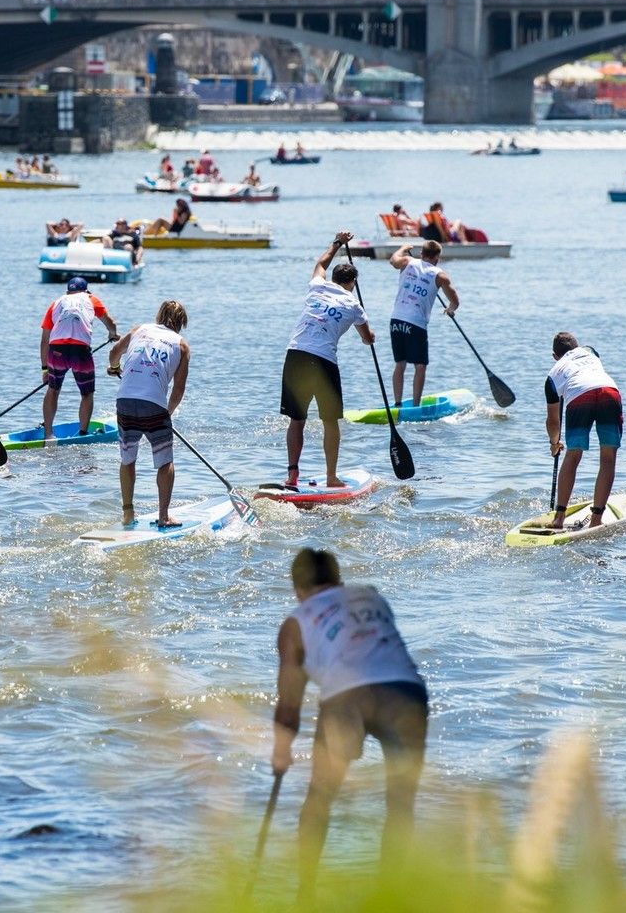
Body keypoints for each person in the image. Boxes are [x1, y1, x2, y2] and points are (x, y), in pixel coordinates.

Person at [272, 547, 428, 904]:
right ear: (338, 580)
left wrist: (281, 751)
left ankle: (305, 896)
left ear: (297, 590)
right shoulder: (370, 595)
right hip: (406, 690)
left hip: (345, 699)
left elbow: (289, 704)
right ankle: (391, 898)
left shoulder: (295, 623)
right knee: (401, 803)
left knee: (320, 799)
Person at [280, 232, 374, 488]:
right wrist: (371, 335)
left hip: (296, 354)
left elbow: (321, 263)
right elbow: (367, 338)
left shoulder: (317, 285)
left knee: (296, 420)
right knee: (330, 421)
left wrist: (337, 243)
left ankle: (292, 476)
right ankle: (331, 477)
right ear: (352, 282)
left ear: (333, 278)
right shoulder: (354, 305)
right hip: (323, 362)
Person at [108, 301, 191, 528]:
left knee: (128, 459)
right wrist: (168, 413)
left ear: (159, 315)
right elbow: (179, 388)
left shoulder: (139, 330)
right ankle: (163, 516)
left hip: (124, 400)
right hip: (154, 405)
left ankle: (128, 513)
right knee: (165, 462)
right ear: (181, 323)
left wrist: (114, 368)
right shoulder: (182, 345)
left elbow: (114, 353)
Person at [544, 332, 622, 530]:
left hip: (580, 397)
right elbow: (592, 353)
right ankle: (596, 519)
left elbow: (553, 421)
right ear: (577, 347)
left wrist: (554, 443)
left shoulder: (553, 376)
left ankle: (559, 518)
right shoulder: (589, 351)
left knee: (573, 454)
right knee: (608, 456)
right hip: (610, 392)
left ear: (555, 356)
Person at [40, 277, 118, 441]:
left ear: (68, 292)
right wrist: (112, 334)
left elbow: (44, 339)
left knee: (53, 390)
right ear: (86, 291)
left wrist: (44, 369)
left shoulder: (56, 303)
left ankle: (48, 434)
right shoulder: (91, 299)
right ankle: (83, 434)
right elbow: (110, 322)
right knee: (87, 393)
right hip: (80, 352)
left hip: (56, 352)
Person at [388, 240, 459, 407]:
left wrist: (403, 248)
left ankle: (397, 403)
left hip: (396, 320)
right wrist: (450, 309)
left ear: (421, 254)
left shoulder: (407, 261)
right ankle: (415, 406)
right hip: (416, 324)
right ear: (438, 257)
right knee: (420, 367)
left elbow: (393, 260)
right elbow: (455, 300)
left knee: (400, 363)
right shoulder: (440, 276)